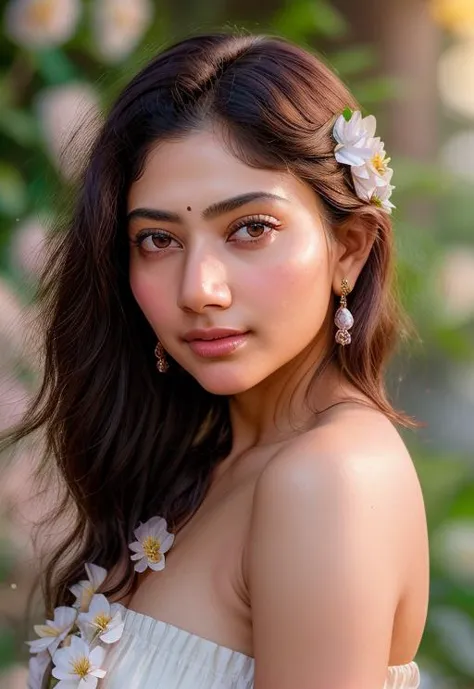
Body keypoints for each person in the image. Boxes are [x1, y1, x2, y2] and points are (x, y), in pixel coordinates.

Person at [5, 31, 429, 689]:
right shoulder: (210, 460)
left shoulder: (328, 480)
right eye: (159, 239)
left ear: (348, 248)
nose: (199, 288)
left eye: (251, 228)